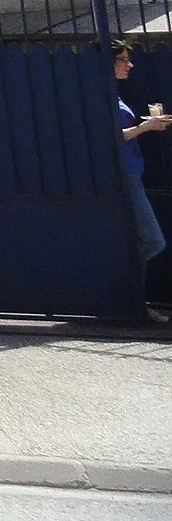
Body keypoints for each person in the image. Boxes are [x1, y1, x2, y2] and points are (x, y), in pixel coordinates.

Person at [114, 39, 170, 323]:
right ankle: (127, 295)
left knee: (138, 238)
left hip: (132, 171)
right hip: (123, 176)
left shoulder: (116, 94)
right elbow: (115, 136)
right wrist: (146, 127)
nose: (129, 64)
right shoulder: (102, 95)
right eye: (123, 59)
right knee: (152, 239)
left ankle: (133, 300)